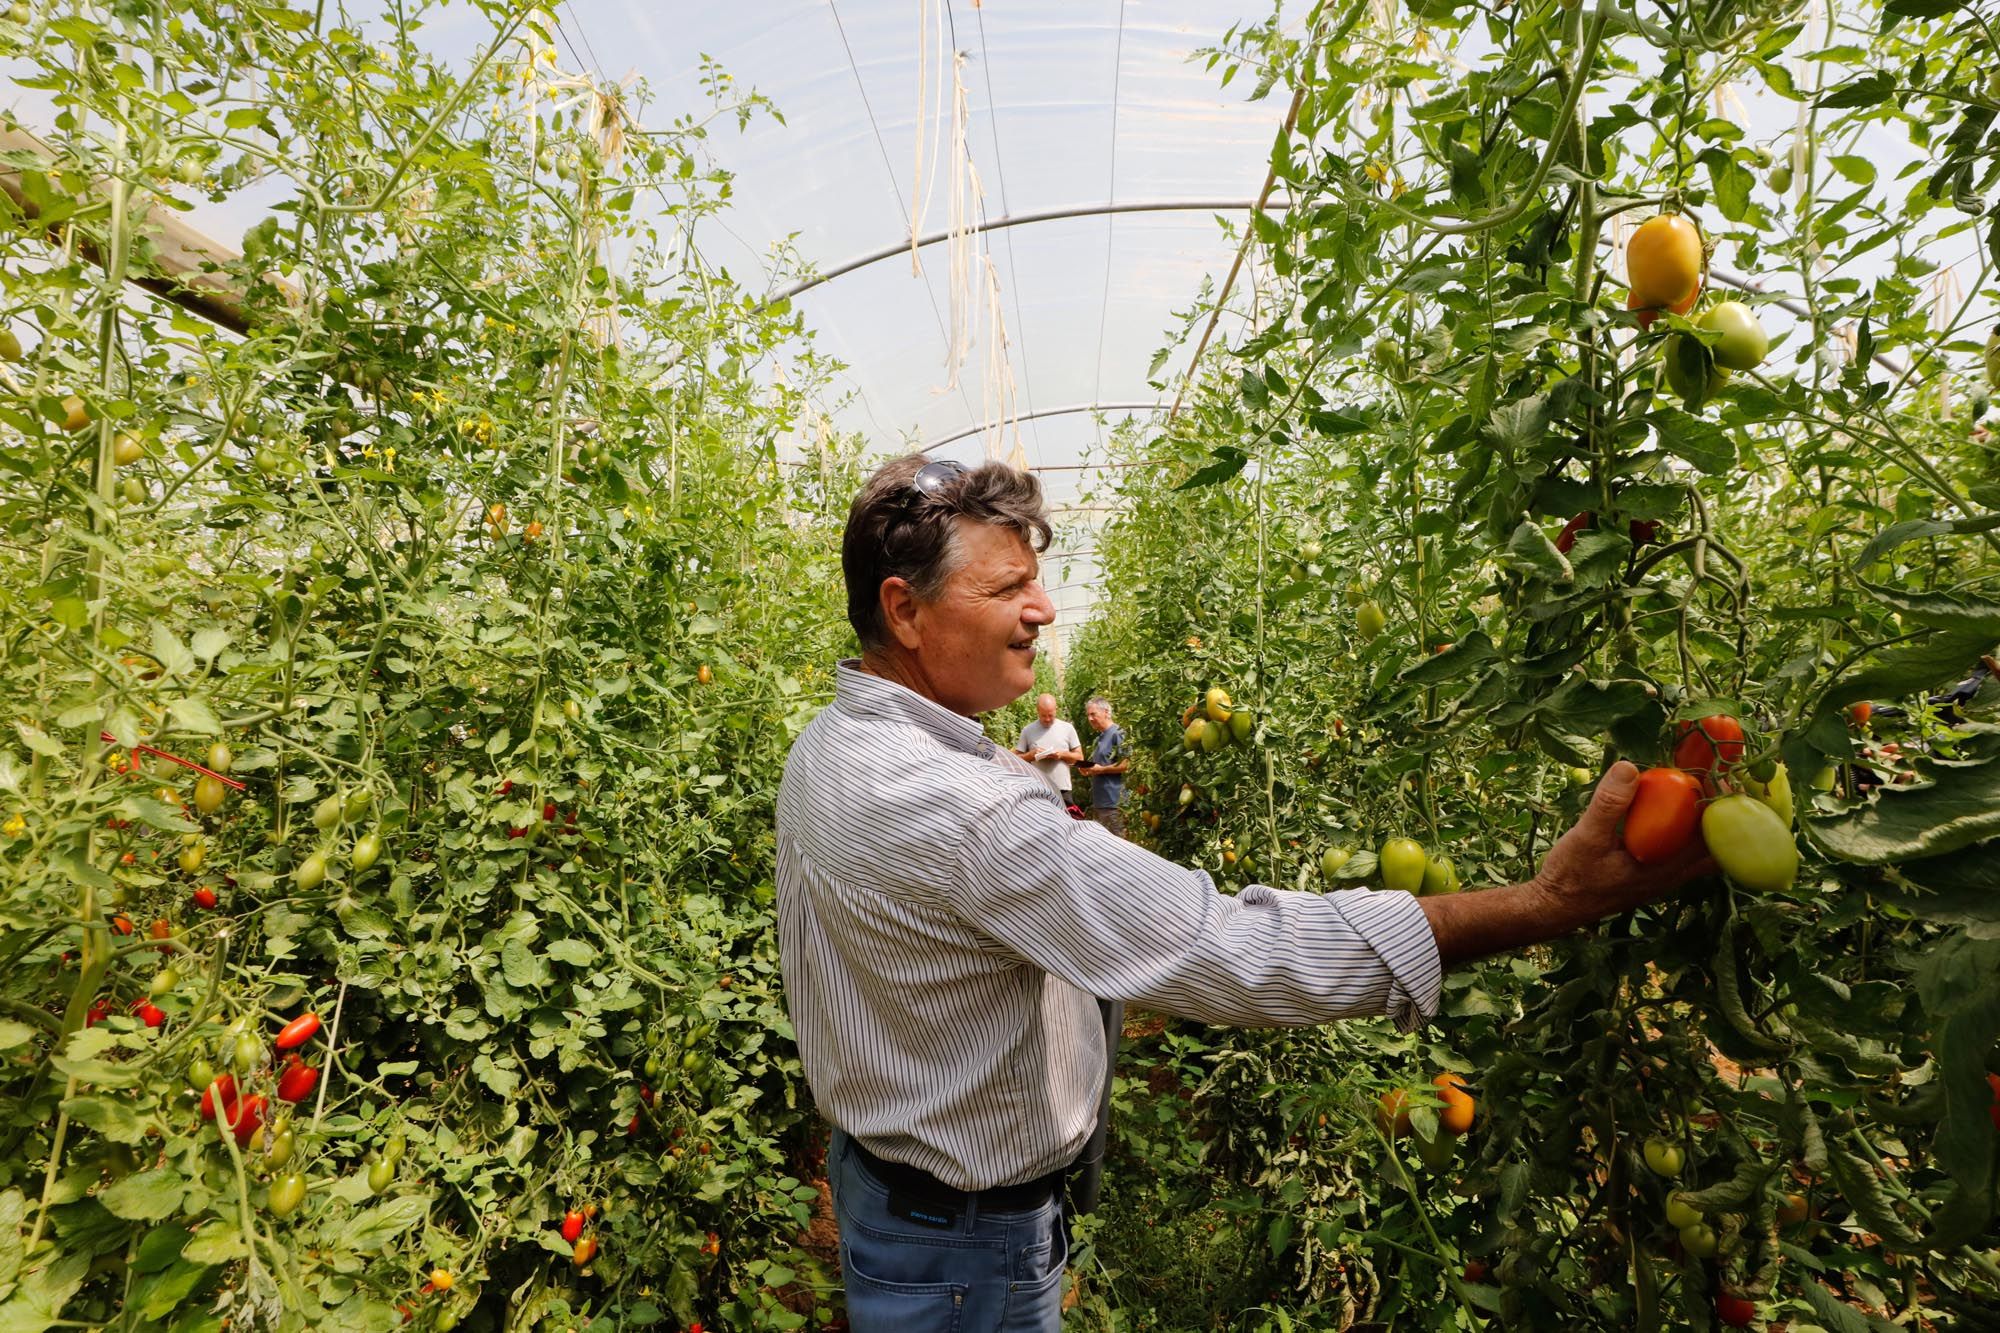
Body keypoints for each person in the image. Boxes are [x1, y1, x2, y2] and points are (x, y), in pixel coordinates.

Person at [773, 454, 1713, 1332]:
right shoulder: (970, 812)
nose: (1044, 608)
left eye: (1037, 579)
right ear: (905, 609)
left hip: (885, 1189)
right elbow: (1229, 947)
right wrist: (1548, 903)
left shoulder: (829, 745)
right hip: (963, 1247)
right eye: (1008, 586)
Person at [1013, 693, 1083, 800]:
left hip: (1062, 789)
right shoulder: (1028, 730)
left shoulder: (1068, 728)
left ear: (1056, 709)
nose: (1047, 719)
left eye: (1050, 715)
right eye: (1043, 715)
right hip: (1037, 789)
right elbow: (1015, 760)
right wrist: (1031, 755)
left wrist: (1061, 754)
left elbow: (1080, 758)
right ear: (1037, 711)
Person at [1075, 697, 1128, 836]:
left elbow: (1126, 764)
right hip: (1101, 803)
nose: (1090, 718)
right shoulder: (1100, 738)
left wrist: (1101, 769)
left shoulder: (1118, 733)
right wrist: (1089, 770)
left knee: (1119, 847)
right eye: (1088, 715)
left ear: (1106, 712)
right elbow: (1100, 766)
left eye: (1093, 714)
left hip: (1115, 803)